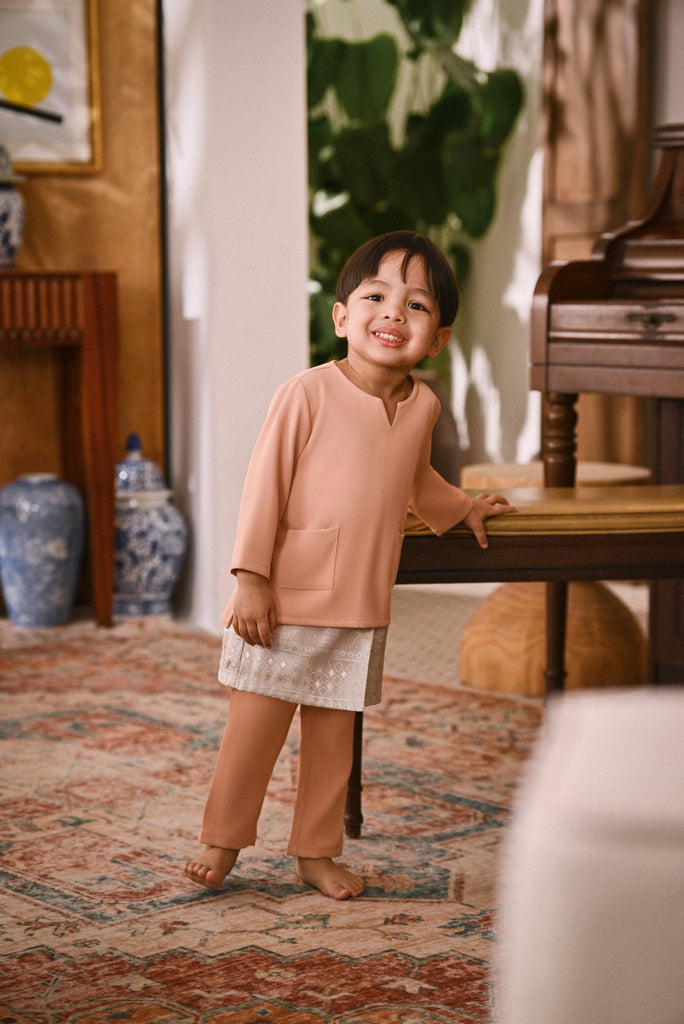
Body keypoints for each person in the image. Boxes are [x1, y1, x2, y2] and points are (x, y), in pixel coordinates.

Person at [184, 230, 516, 900]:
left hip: (361, 600)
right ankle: (222, 843)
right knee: (254, 731)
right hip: (284, 596)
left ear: (438, 338)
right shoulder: (305, 393)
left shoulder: (423, 406)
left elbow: (416, 480)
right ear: (341, 317)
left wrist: (463, 508)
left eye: (416, 305)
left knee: (333, 738)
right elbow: (264, 485)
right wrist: (250, 578)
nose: (394, 313)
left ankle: (316, 852)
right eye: (376, 297)